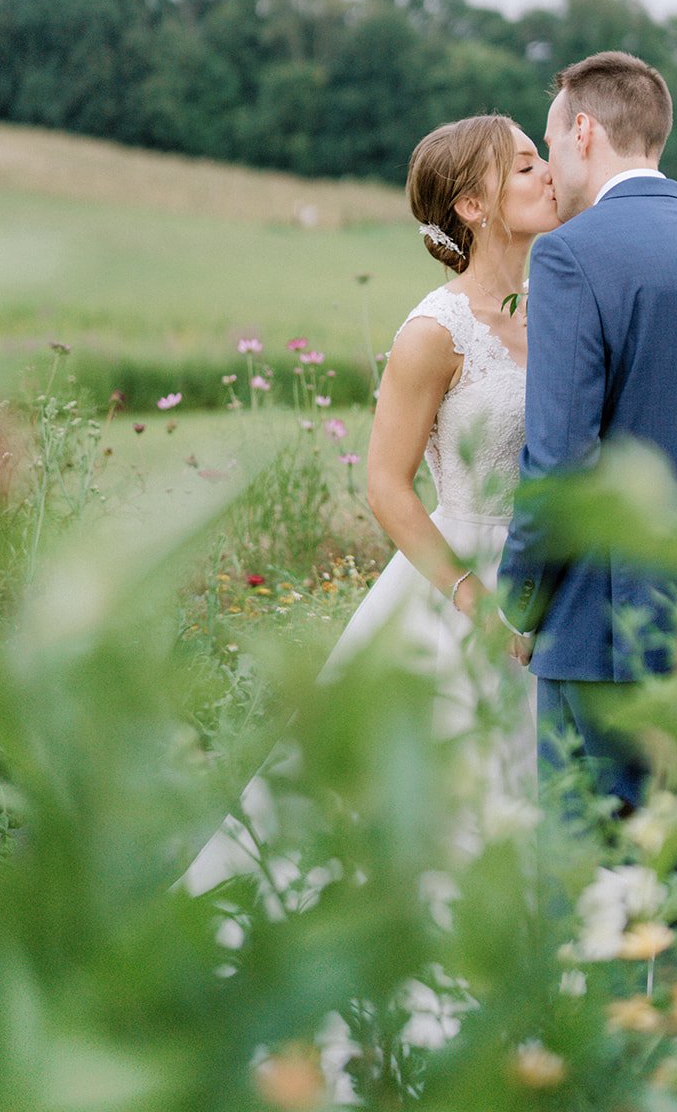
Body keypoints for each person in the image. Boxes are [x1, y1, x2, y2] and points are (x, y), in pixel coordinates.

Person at [183, 113, 556, 897]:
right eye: (524, 166)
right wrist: (475, 603)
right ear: (471, 206)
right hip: (459, 590)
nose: (549, 170)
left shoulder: (556, 311)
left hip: (548, 585)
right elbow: (385, 487)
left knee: (533, 805)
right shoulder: (435, 330)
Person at [498, 51, 677, 818]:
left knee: (588, 894)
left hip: (601, 641)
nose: (550, 170)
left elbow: (561, 460)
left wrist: (520, 603)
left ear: (584, 131)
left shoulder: (569, 256)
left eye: (552, 143)